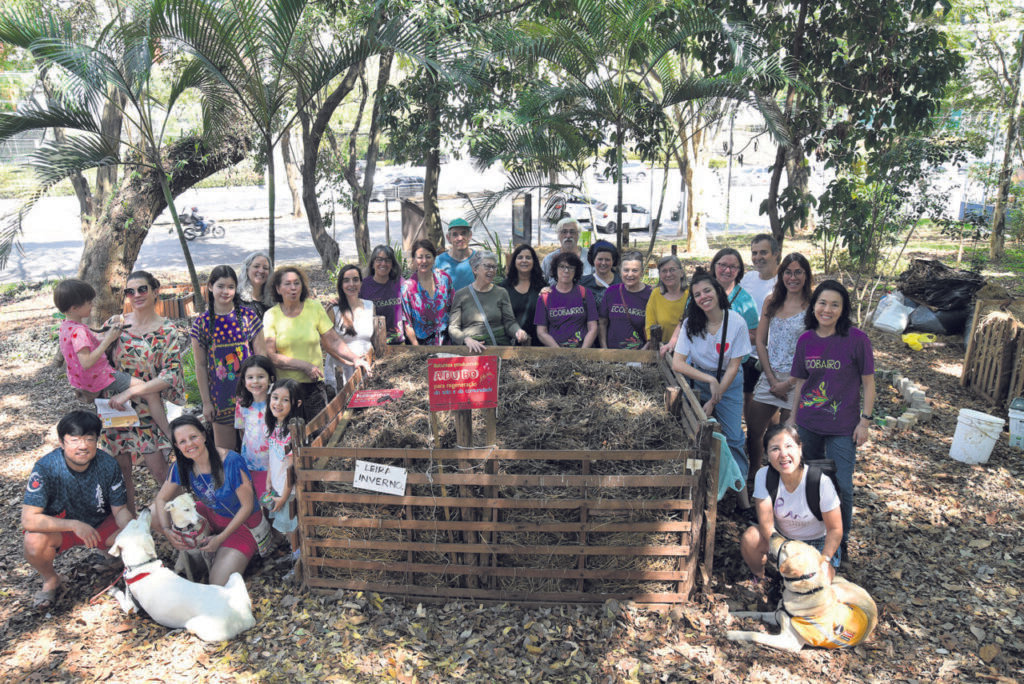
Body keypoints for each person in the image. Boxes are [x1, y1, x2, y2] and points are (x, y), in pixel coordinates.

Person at [787, 279, 875, 556]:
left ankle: (841, 539)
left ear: (843, 309)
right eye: (822, 303)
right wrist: (792, 420)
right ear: (814, 307)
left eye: (835, 304)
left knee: (843, 485)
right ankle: (813, 534)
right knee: (810, 480)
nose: (827, 309)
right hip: (809, 422)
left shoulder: (857, 340)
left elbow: (869, 383)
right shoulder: (805, 340)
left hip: (843, 427)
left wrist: (865, 422)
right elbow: (801, 383)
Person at [22, 411, 134, 610]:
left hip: (99, 525)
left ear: (96, 440)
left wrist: (133, 529)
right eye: (74, 440)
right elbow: (29, 519)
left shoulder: (108, 465)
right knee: (33, 541)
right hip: (62, 527)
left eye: (89, 439)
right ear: (61, 442)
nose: (82, 446)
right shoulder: (46, 468)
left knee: (131, 530)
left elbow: (120, 510)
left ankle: (112, 558)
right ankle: (50, 580)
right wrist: (73, 525)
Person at [672, 270, 753, 516]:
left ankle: (743, 500)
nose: (703, 297)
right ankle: (692, 491)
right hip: (698, 377)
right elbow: (678, 363)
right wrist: (708, 381)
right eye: (697, 294)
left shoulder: (735, 321)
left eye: (707, 290)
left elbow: (734, 365)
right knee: (693, 432)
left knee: (734, 437)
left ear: (717, 291)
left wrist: (716, 395)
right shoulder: (690, 324)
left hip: (729, 382)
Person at [103, 271, 184, 513]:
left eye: (142, 289)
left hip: (149, 409)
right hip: (116, 408)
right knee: (120, 474)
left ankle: (186, 527)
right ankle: (129, 528)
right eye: (131, 291)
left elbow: (170, 375)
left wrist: (131, 392)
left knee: (161, 472)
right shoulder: (116, 324)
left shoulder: (167, 331)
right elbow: (100, 363)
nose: (136, 295)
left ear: (155, 291)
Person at [154, 415, 267, 586]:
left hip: (242, 524)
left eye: (193, 437)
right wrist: (166, 530)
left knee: (217, 584)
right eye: (182, 441)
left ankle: (220, 551)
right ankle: (197, 550)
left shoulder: (231, 461)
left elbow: (247, 506)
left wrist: (220, 538)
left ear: (204, 436)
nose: (190, 444)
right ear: (177, 446)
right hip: (212, 514)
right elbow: (161, 499)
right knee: (155, 513)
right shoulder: (182, 465)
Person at [53, 279, 170, 438]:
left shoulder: (65, 327)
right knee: (149, 391)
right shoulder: (79, 331)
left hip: (81, 381)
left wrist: (108, 333)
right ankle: (169, 434)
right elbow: (86, 362)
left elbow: (86, 347)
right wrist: (108, 339)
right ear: (75, 308)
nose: (92, 305)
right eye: (89, 303)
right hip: (99, 376)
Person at [263, 266, 371, 423]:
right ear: (278, 289)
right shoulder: (271, 315)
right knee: (290, 437)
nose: (293, 288)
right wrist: (304, 366)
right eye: (287, 284)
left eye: (297, 283)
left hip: (314, 387)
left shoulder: (314, 308)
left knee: (320, 434)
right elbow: (271, 356)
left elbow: (333, 340)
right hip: (285, 390)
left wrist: (355, 359)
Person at [740, 424, 842, 581]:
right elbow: (766, 525)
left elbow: (835, 529)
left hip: (817, 544)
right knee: (751, 538)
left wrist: (825, 560)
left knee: (818, 584)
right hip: (782, 540)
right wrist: (786, 553)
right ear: (766, 454)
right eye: (775, 449)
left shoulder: (819, 481)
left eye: (789, 446)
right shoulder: (764, 476)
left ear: (800, 449)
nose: (783, 454)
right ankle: (761, 579)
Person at [747, 254, 811, 477]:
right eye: (788, 272)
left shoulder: (812, 305)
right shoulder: (771, 300)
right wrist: (773, 379)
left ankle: (784, 480)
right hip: (770, 376)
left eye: (798, 272)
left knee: (788, 438)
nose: (792, 277)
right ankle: (755, 473)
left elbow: (812, 349)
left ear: (806, 275)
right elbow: (761, 342)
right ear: (781, 274)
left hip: (798, 379)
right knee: (754, 431)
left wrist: (789, 382)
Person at [191, 266, 266, 450]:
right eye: (220, 286)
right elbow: (200, 366)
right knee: (226, 455)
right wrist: (207, 403)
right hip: (220, 398)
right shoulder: (202, 323)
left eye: (231, 287)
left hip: (250, 394)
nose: (226, 291)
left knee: (255, 450)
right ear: (210, 287)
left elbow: (262, 358)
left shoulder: (249, 317)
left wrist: (263, 394)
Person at [449, 251, 529, 352]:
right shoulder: (461, 295)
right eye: (487, 266)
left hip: (497, 346)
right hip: (471, 348)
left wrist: (518, 331)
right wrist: (466, 339)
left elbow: (509, 322)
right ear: (475, 269)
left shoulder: (501, 293)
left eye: (494, 267)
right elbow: (453, 327)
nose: (492, 270)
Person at [265, 379, 303, 581]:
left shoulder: (290, 434)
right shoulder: (275, 427)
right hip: (278, 487)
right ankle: (294, 554)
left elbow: (291, 469)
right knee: (288, 530)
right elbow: (273, 456)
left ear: (296, 404)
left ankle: (299, 562)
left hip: (289, 491)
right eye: (275, 398)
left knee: (292, 529)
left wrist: (284, 497)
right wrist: (269, 480)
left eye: (285, 400)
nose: (278, 404)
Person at [535, 251, 599, 348]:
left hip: (583, 351)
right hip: (556, 352)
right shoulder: (545, 296)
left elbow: (593, 327)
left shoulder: (585, 293)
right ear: (555, 269)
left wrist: (583, 352)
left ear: (576, 271)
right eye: (562, 266)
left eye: (571, 267)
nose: (566, 270)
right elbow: (541, 332)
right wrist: (559, 352)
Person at [326, 264, 375, 389]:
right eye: (346, 280)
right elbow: (326, 344)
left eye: (355, 279)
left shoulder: (370, 306)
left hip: (365, 366)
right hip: (341, 369)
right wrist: (348, 362)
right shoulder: (334, 310)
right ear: (341, 285)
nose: (351, 284)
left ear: (361, 283)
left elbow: (373, 339)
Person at [234, 355, 275, 500]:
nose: (255, 381)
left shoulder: (275, 404)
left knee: (275, 502)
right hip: (251, 464)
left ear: (271, 378)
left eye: (261, 376)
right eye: (250, 377)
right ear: (244, 380)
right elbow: (242, 431)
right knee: (261, 499)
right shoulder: (242, 403)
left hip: (274, 464)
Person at [401, 239, 454, 346]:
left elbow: (453, 309)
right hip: (421, 345)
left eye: (428, 256)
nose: (424, 261)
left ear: (434, 258)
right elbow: (407, 323)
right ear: (414, 260)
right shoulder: (407, 287)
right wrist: (417, 349)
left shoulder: (444, 279)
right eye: (420, 257)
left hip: (447, 342)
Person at [599, 250, 651, 349]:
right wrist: (604, 350)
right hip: (612, 355)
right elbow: (602, 322)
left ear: (642, 272)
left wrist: (642, 354)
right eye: (626, 270)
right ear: (620, 271)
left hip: (640, 355)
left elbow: (654, 329)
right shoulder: (611, 292)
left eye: (635, 270)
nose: (630, 274)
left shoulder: (650, 295)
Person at [360, 244, 406, 345]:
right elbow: (351, 305)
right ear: (372, 263)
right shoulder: (363, 286)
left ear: (392, 264)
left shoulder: (400, 283)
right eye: (379, 260)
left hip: (398, 343)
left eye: (387, 260)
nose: (383, 263)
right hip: (372, 343)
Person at [501, 243, 545, 346]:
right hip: (510, 344)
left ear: (534, 261)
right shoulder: (503, 287)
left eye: (528, 257)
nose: (524, 260)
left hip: (537, 344)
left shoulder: (542, 287)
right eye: (520, 257)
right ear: (514, 261)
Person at [645, 255, 689, 355]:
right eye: (664, 271)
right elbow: (650, 324)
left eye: (672, 270)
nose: (668, 274)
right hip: (662, 350)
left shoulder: (691, 294)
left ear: (681, 273)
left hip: (688, 351)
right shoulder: (656, 294)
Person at [540, 218, 593, 285]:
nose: (568, 236)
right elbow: (541, 284)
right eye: (564, 232)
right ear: (558, 235)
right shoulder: (549, 259)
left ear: (579, 235)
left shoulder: (590, 257)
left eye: (572, 232)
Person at [740, 234, 782, 317]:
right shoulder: (747, 278)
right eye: (754, 253)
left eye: (763, 252)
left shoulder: (784, 282)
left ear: (775, 254)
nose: (758, 257)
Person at [434, 218, 476, 291]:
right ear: (448, 238)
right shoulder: (439, 261)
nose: (460, 238)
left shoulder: (479, 259)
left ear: (470, 235)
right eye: (455, 234)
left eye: (463, 233)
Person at [579, 240, 621, 307]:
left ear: (613, 261)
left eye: (607, 260)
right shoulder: (582, 282)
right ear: (593, 260)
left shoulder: (621, 283)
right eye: (600, 259)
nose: (603, 263)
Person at [237, 251, 274, 318]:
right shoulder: (236, 299)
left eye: (265, 268)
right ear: (247, 269)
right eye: (256, 266)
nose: (261, 271)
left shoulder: (273, 299)